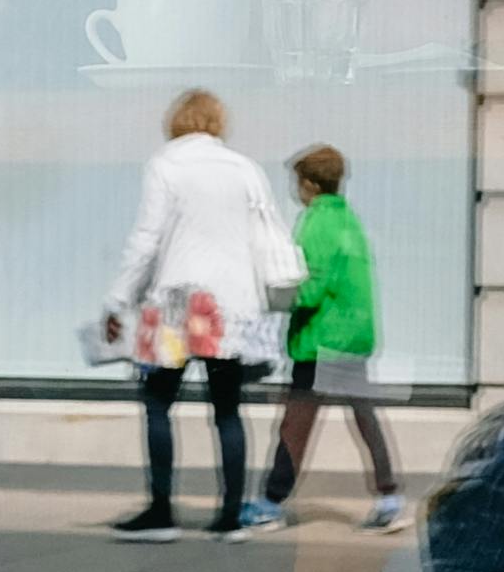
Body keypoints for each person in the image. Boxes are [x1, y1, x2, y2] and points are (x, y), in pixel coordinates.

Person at [103, 86, 294, 534]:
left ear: (176, 121)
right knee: (227, 409)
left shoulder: (166, 164)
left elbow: (147, 238)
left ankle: (161, 511)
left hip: (176, 299)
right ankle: (230, 515)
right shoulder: (244, 168)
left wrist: (118, 298)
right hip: (230, 304)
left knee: (157, 403)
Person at [261, 143, 403, 526]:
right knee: (364, 416)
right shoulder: (350, 221)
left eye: (296, 182)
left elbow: (311, 285)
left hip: (320, 340)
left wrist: (274, 298)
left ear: (308, 184)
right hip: (353, 335)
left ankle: (271, 503)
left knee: (295, 424)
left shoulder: (315, 221)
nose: (294, 190)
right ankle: (390, 498)